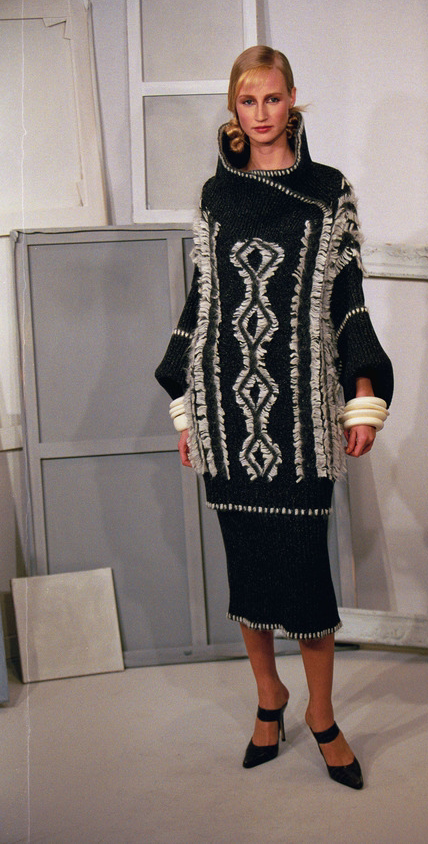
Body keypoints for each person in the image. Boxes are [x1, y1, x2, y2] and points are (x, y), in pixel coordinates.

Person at [155, 45, 393, 790]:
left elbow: (348, 297)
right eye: (247, 101)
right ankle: (269, 699)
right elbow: (203, 303)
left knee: (305, 576)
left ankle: (321, 713)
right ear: (235, 110)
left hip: (301, 415)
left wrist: (362, 395)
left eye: (273, 98)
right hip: (227, 409)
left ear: (293, 101)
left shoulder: (327, 191)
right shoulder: (215, 196)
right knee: (248, 570)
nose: (261, 113)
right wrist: (188, 409)